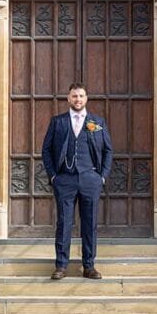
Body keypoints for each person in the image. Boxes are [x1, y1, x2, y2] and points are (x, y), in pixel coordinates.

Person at [41, 83, 113, 280]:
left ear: (86, 98)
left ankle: (89, 265)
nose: (78, 100)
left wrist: (102, 176)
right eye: (74, 96)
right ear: (68, 98)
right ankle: (61, 266)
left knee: (89, 223)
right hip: (65, 179)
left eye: (81, 96)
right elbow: (46, 150)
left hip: (91, 179)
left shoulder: (97, 122)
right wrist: (53, 176)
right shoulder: (58, 122)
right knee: (64, 222)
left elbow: (108, 150)